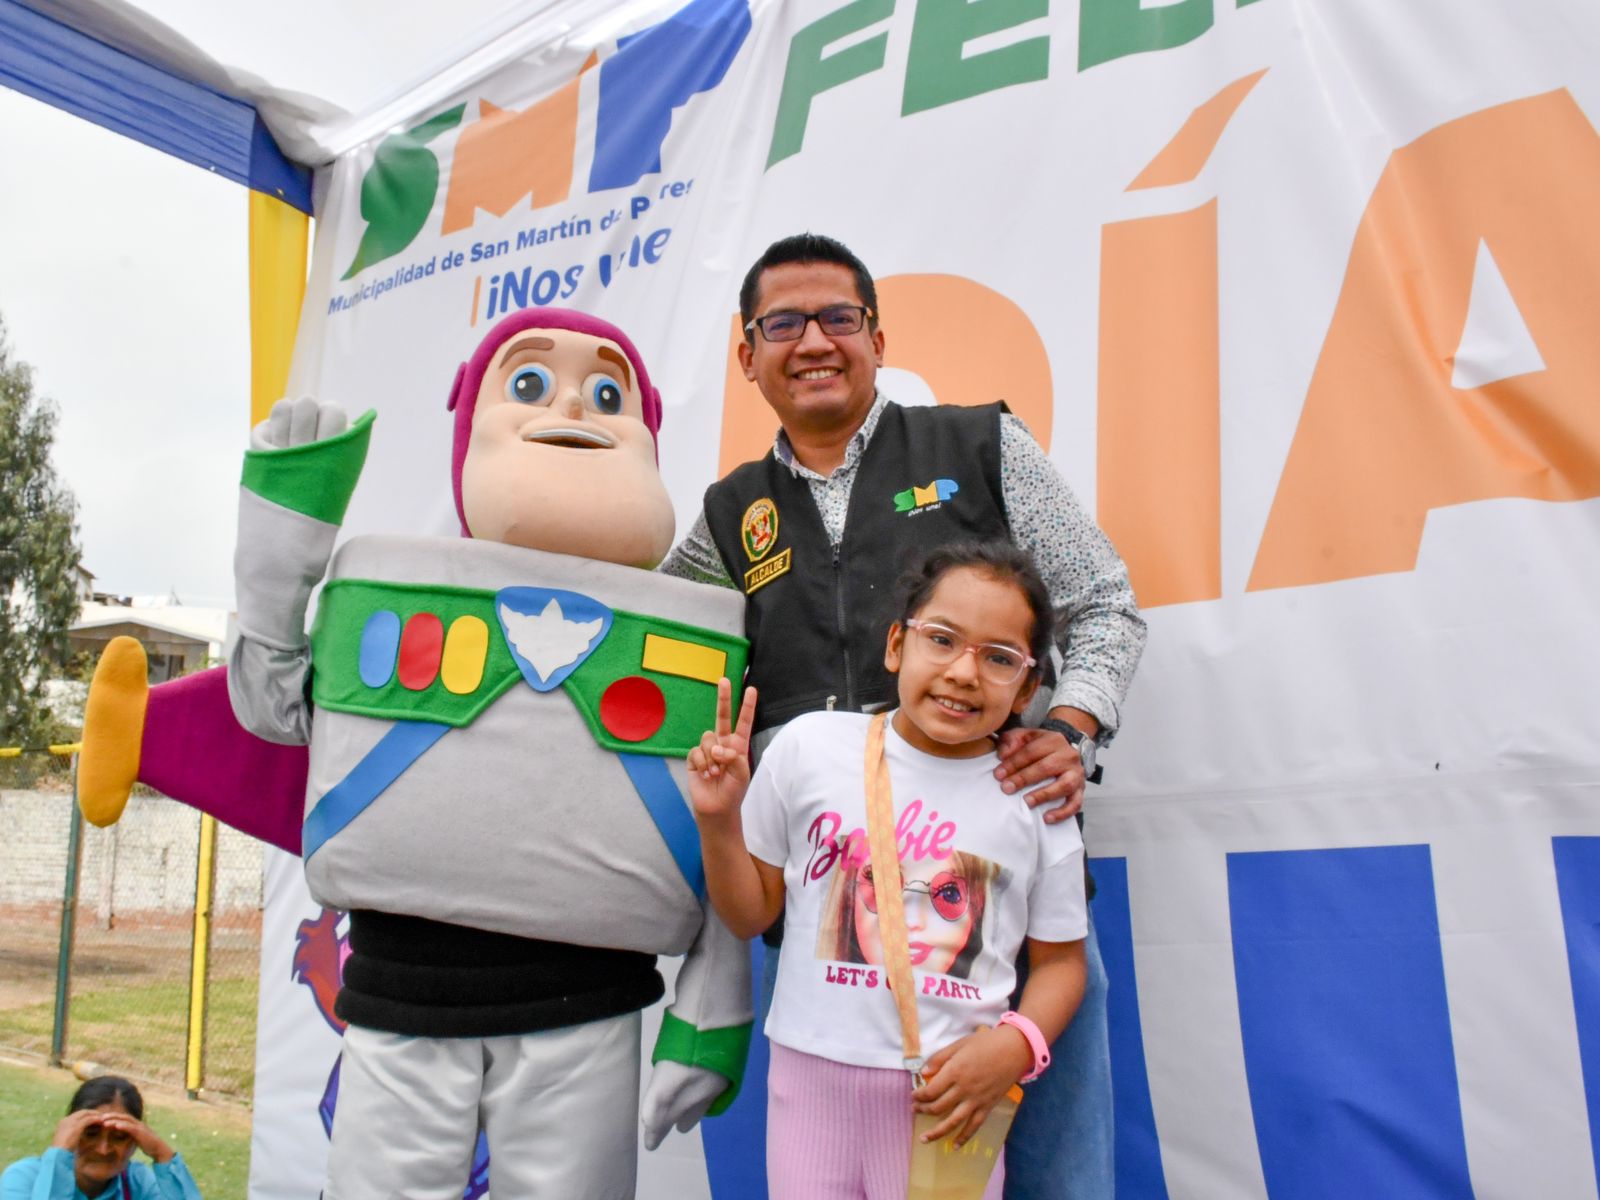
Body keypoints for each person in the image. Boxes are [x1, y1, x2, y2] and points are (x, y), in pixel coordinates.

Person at [659, 233, 1145, 1198]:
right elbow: (652, 647)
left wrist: (1075, 731)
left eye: (838, 318)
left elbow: (1103, 603)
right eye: (782, 323)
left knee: (1051, 1181)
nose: (813, 342)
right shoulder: (728, 518)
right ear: (746, 354)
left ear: (877, 337)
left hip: (997, 925)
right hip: (832, 952)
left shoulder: (979, 446)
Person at [691, 541, 1089, 1199]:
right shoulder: (808, 749)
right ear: (896, 646)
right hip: (809, 1084)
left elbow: (1062, 963)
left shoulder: (1036, 797)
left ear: (1027, 686)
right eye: (942, 639)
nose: (964, 672)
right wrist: (717, 819)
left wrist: (1017, 1046)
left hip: (954, 1101)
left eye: (998, 658)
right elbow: (749, 913)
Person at [1, 1076, 201, 1200]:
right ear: (70, 1133)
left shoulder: (139, 1184)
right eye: (91, 1133)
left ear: (135, 1144)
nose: (103, 1149)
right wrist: (59, 1154)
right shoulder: (23, 1178)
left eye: (120, 1137)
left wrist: (162, 1154)